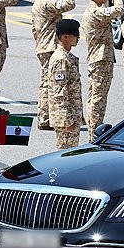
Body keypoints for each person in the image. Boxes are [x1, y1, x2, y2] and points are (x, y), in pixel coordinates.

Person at [32, 0, 76, 129]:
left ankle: (45, 117)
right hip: (50, 46)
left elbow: (33, 28)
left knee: (46, 81)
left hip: (43, 45)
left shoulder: (38, 2)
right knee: (48, 83)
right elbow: (69, 4)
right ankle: (45, 118)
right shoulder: (47, 2)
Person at [82, 0, 124, 135]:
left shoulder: (95, 9)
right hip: (100, 60)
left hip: (99, 58)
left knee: (95, 96)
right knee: (98, 99)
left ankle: (93, 129)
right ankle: (94, 132)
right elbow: (119, 9)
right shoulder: (96, 12)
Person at [47, 18, 85, 150]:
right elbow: (59, 93)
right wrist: (67, 120)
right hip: (67, 119)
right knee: (65, 155)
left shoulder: (67, 57)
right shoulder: (61, 60)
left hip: (72, 115)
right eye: (75, 35)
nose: (78, 37)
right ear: (65, 37)